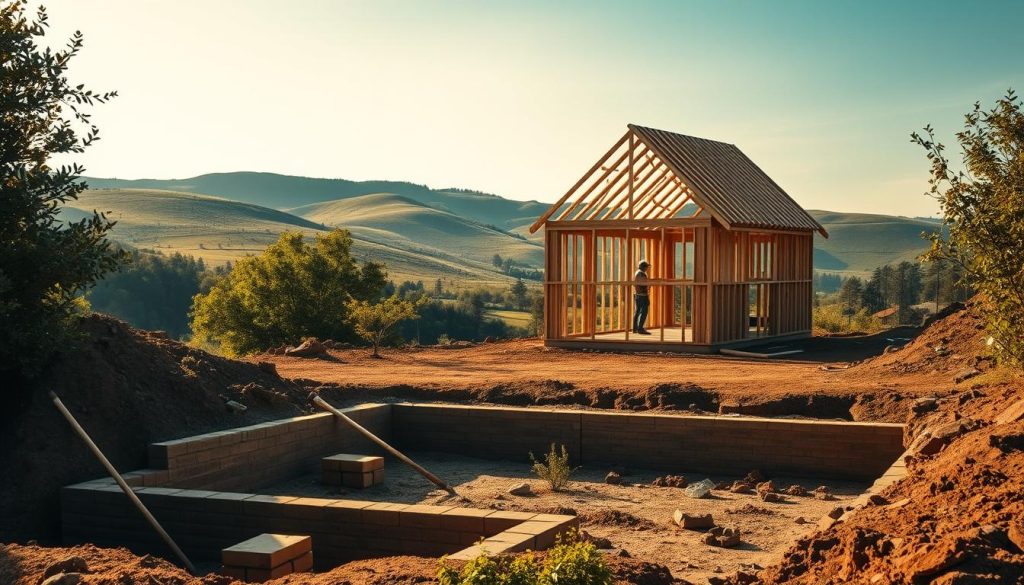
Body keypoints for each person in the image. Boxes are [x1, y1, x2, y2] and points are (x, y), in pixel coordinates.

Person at [633, 260, 651, 334]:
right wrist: (649, 285)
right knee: (644, 312)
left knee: (637, 311)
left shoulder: (638, 273)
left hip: (638, 295)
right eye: (646, 267)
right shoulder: (641, 274)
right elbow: (644, 284)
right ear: (643, 267)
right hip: (642, 295)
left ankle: (635, 328)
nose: (647, 268)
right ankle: (640, 329)